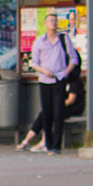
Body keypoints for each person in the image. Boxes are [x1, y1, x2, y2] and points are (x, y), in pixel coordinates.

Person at [23, 13, 78, 154]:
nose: (53, 23)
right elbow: (34, 63)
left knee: (58, 112)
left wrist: (65, 73)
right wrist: (43, 71)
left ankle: (56, 146)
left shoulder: (64, 39)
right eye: (50, 21)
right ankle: (47, 143)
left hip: (59, 79)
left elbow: (74, 59)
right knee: (46, 112)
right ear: (45, 24)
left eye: (55, 21)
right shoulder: (39, 42)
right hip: (45, 80)